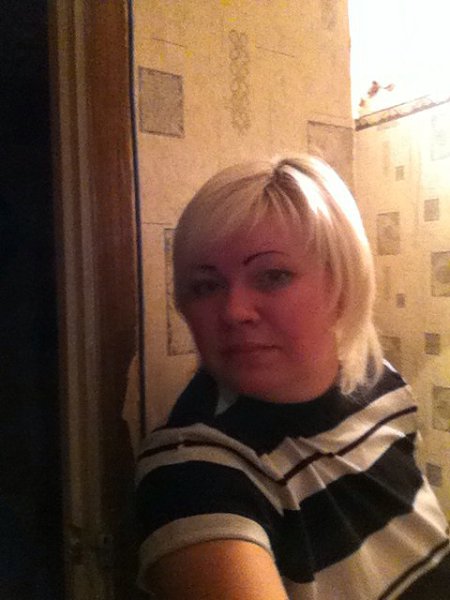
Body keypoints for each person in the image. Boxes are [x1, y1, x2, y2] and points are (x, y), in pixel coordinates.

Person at [135, 155, 449, 599]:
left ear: (341, 284)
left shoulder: (381, 384)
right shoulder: (194, 472)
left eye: (272, 276)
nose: (234, 311)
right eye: (206, 285)